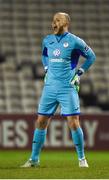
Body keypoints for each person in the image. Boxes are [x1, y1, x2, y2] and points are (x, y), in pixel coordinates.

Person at [21, 12, 96, 168]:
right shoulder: (47, 40)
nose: (54, 23)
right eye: (53, 20)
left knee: (73, 123)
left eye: (57, 20)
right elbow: (44, 55)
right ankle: (34, 159)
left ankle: (82, 159)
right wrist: (47, 68)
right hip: (50, 87)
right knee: (41, 121)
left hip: (67, 87)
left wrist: (80, 73)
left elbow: (91, 57)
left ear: (66, 22)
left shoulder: (75, 41)